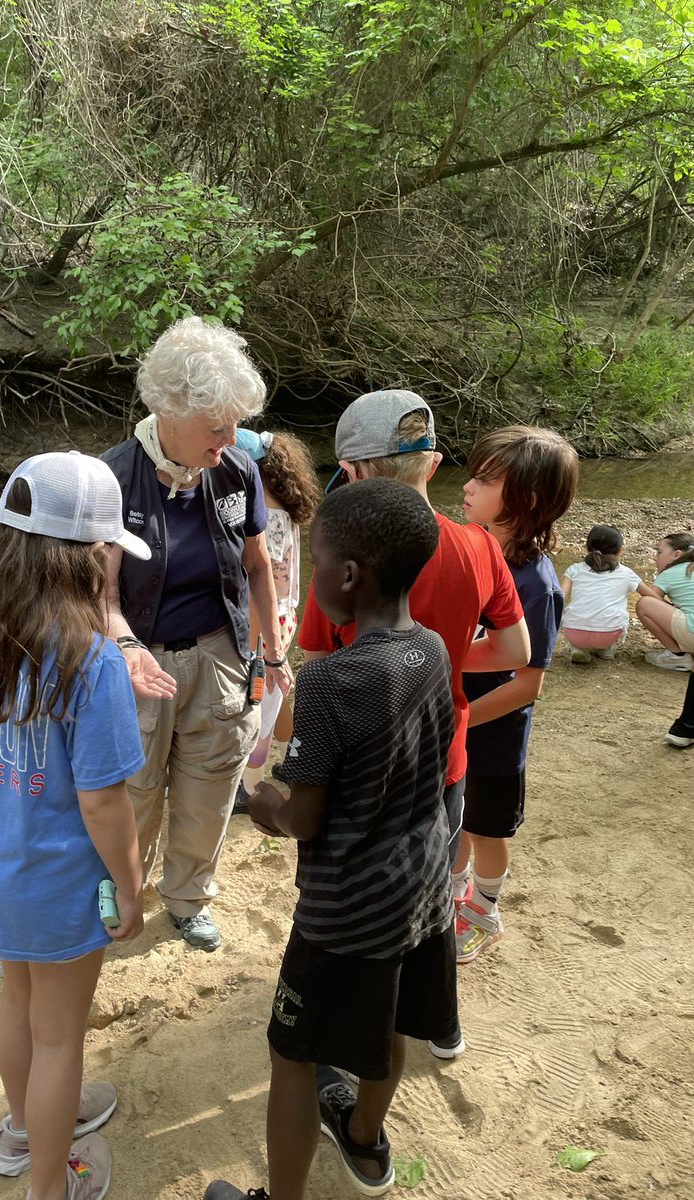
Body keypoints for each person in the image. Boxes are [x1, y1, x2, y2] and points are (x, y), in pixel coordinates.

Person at [203, 478, 455, 1200]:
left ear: (348, 576)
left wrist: (261, 802)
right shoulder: (432, 649)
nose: (310, 578)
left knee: (294, 1054)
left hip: (346, 913)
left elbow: (303, 818)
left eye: (315, 563)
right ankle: (366, 1142)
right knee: (391, 1022)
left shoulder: (330, 681)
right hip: (423, 887)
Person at [296, 393, 530, 1046]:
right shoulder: (477, 547)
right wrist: (448, 659)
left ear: (358, 472)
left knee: (344, 900)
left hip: (356, 764)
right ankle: (440, 1028)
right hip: (441, 756)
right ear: (430, 464)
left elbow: (317, 659)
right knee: (430, 889)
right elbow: (515, 653)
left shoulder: (341, 555)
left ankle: (346, 1033)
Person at [0, 451, 148, 1200]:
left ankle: (25, 1129)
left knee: (17, 1003)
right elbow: (104, 804)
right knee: (61, 1035)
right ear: (93, 557)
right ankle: (48, 1185)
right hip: (57, 880)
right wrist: (130, 888)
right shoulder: (93, 663)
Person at [102, 316, 293, 953]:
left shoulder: (235, 470)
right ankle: (121, 895)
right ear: (168, 409)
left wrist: (271, 653)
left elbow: (259, 566)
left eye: (235, 423)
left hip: (219, 654)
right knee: (132, 793)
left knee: (210, 787)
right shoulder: (112, 480)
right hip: (137, 663)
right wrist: (127, 649)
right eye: (217, 426)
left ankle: (188, 901)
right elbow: (99, 596)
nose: (231, 438)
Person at [454, 425, 579, 963]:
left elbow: (528, 683)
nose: (467, 486)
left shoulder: (536, 584)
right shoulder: (473, 550)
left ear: (525, 500)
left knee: (486, 825)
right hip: (455, 723)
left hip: (493, 735)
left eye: (484, 479)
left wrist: (461, 720)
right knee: (454, 813)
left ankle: (483, 909)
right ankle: (450, 890)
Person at [233, 428, 321, 810]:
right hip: (282, 620)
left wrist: (263, 650)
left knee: (256, 710)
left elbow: (258, 586)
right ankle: (284, 761)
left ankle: (248, 788)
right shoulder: (284, 507)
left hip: (261, 631)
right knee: (274, 696)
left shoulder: (260, 516)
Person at [560, 524, 659, 663]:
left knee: (575, 620)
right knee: (609, 623)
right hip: (608, 633)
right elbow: (651, 597)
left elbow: (559, 596)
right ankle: (605, 648)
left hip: (574, 632)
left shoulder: (574, 570)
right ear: (619, 551)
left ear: (587, 547)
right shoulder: (626, 573)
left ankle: (578, 648)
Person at [635, 533, 694, 746]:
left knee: (645, 605)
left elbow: (651, 598)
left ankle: (678, 654)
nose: (654, 558)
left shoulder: (671, 572)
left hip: (691, 633)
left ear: (677, 554)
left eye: (659, 552)